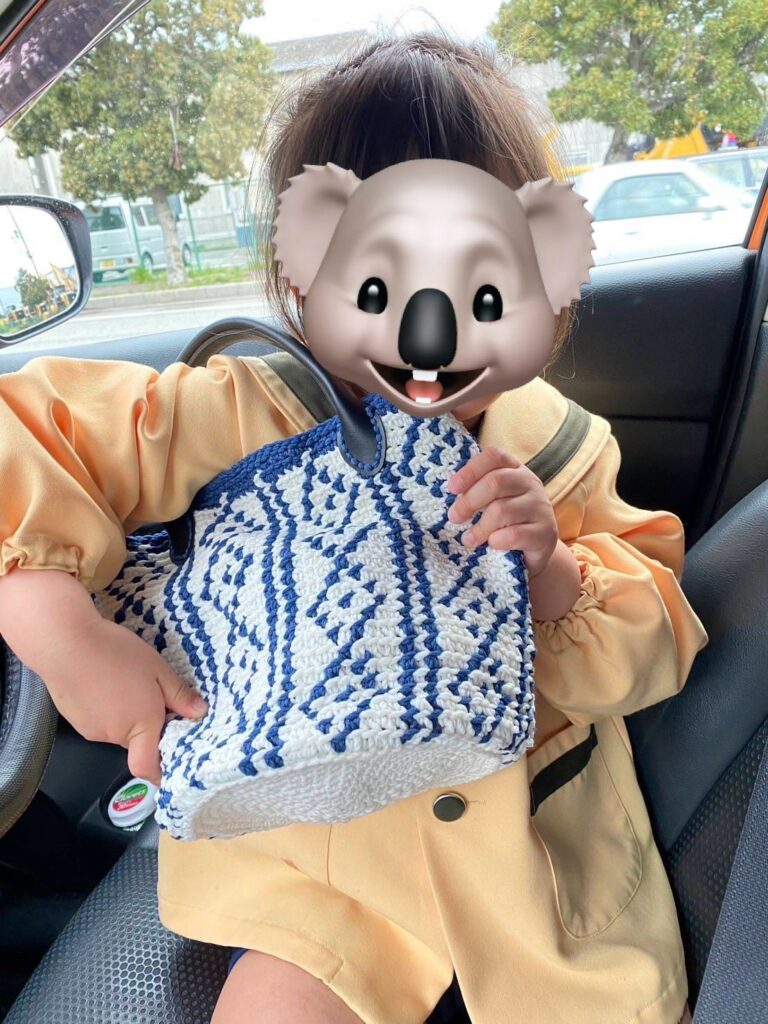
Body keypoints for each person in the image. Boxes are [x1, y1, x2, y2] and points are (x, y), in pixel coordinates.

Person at [0, 32, 705, 1024]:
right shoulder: (239, 412)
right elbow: (30, 433)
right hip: (317, 877)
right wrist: (60, 632)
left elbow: (655, 640)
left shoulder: (557, 450)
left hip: (533, 861)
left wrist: (550, 573)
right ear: (305, 277)